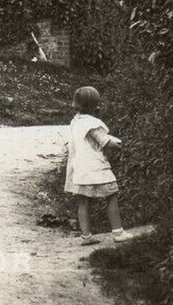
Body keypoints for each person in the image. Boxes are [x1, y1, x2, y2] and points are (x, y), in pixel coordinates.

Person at [64, 85, 125, 246]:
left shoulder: (75, 122)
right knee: (111, 195)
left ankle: (86, 236)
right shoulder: (93, 123)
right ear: (95, 106)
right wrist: (120, 144)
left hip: (80, 169)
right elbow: (104, 141)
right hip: (95, 168)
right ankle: (118, 232)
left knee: (83, 202)